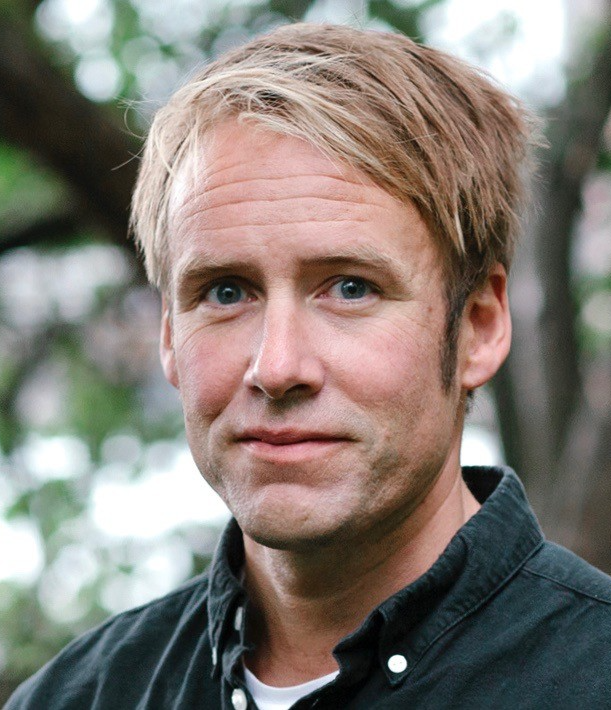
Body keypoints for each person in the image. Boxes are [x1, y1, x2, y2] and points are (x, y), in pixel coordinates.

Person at [7, 22, 611, 710]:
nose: (277, 367)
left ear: (478, 326)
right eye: (226, 292)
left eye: (350, 288)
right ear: (169, 336)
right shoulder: (77, 697)